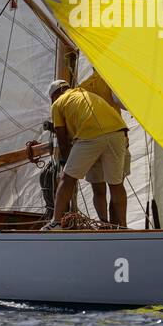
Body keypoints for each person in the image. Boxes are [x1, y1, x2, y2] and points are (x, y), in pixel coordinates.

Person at [47, 80, 129, 229]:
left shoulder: (57, 103)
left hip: (90, 136)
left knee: (67, 179)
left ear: (54, 96)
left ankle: (56, 222)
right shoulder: (85, 94)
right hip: (118, 132)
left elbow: (61, 136)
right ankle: (123, 227)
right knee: (116, 184)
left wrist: (66, 160)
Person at [75, 72, 130, 222]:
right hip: (116, 138)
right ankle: (119, 225)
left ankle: (103, 223)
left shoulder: (81, 88)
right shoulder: (111, 79)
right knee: (116, 186)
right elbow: (125, 103)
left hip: (91, 140)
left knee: (98, 190)